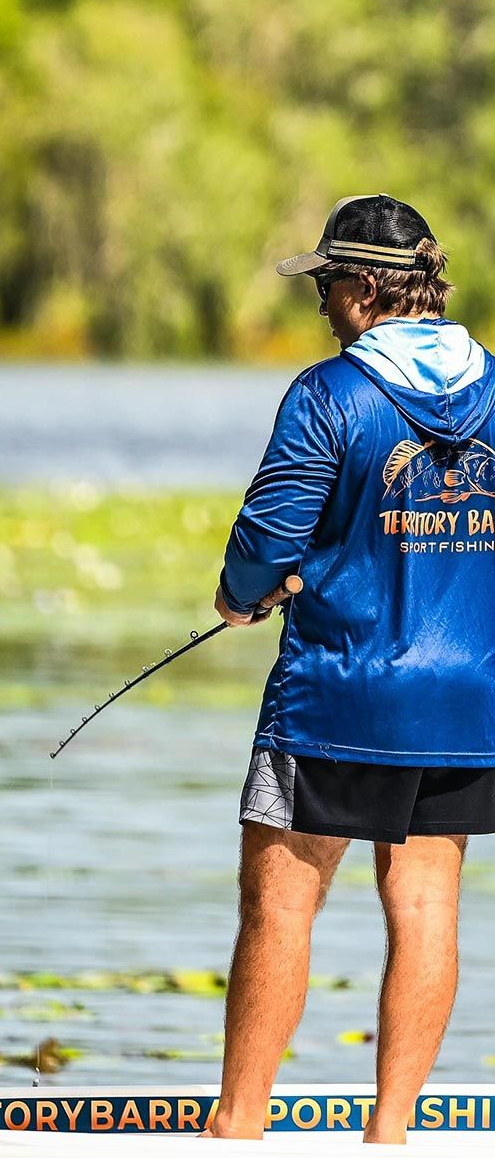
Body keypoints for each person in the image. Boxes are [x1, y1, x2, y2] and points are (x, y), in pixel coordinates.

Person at [204, 194, 495, 1145]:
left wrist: (243, 593)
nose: (322, 305)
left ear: (368, 288)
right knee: (426, 908)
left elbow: (268, 539)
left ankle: (239, 1128)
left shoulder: (330, 395)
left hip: (338, 696)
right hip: (467, 703)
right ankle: (391, 1137)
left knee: (279, 908)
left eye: (328, 284)